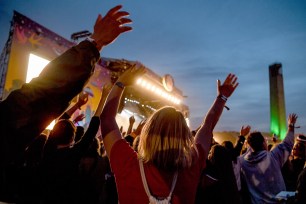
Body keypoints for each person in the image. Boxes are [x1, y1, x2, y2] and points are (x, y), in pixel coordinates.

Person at [0, 5, 132, 202]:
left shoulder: (45, 151)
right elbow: (40, 97)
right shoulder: (66, 156)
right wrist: (95, 45)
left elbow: (38, 104)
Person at [100, 69, 238, 204]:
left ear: (147, 133)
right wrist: (221, 98)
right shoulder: (191, 167)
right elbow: (207, 127)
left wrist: (120, 83)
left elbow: (106, 119)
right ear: (185, 137)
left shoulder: (128, 163)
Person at [239, 113, 298, 204]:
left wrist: (242, 136)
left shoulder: (242, 162)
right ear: (263, 143)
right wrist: (290, 125)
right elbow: (287, 143)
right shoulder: (273, 157)